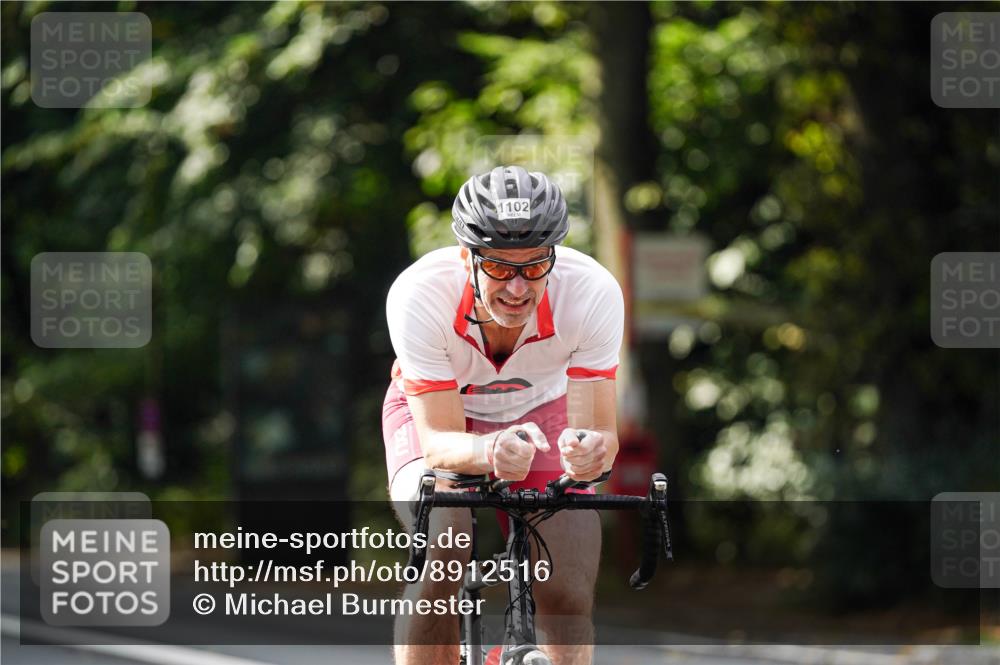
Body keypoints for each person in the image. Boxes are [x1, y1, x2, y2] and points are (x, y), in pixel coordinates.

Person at [383, 165, 624, 665]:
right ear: (466, 256)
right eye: (499, 267)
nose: (517, 288)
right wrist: (490, 451)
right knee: (444, 547)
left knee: (570, 589)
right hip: (442, 418)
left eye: (534, 266)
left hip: (542, 414)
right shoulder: (419, 294)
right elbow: (439, 442)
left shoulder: (593, 292)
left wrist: (591, 454)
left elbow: (600, 432)